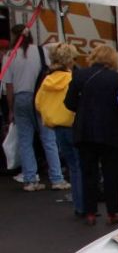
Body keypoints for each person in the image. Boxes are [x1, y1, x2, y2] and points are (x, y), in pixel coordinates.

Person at [65, 45, 118, 226]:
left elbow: (69, 102)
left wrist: (83, 110)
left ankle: (90, 211)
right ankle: (112, 212)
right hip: (110, 130)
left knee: (88, 172)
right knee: (111, 173)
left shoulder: (80, 75)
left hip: (84, 130)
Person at [3, 25, 69, 192]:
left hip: (20, 98)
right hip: (40, 96)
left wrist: (11, 109)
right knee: (48, 139)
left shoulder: (9, 56)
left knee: (25, 140)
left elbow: (9, 87)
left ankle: (31, 179)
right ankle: (57, 178)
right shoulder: (41, 51)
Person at [34, 43, 82, 214]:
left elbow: (38, 104)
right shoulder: (73, 79)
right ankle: (82, 204)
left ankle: (78, 203)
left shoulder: (46, 79)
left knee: (71, 166)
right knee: (81, 167)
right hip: (74, 126)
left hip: (57, 127)